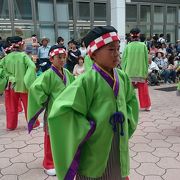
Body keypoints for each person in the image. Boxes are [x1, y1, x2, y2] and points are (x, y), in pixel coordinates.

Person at [48, 26, 139, 180]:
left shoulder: (122, 76)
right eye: (111, 49)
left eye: (118, 49)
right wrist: (89, 128)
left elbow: (131, 102)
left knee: (118, 171)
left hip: (118, 138)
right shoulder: (86, 81)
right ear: (94, 54)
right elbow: (61, 111)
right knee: (95, 173)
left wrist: (127, 121)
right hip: (94, 143)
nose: (117, 54)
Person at [27, 45, 75, 176]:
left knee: (65, 136)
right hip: (53, 112)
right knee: (50, 137)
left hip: (67, 112)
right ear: (51, 59)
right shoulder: (47, 75)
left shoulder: (68, 73)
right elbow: (35, 89)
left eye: (64, 57)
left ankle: (63, 159)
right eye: (58, 57)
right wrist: (45, 100)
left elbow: (74, 88)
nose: (62, 60)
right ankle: (48, 163)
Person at [0, 36, 40, 130]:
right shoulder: (24, 56)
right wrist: (27, 80)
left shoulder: (6, 58)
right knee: (28, 106)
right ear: (21, 44)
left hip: (11, 86)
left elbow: (1, 69)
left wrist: (9, 77)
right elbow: (32, 67)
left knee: (11, 107)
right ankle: (33, 124)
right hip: (23, 86)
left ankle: (11, 126)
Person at [122, 28, 151, 111]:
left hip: (129, 72)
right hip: (141, 72)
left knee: (129, 91)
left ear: (131, 36)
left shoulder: (128, 46)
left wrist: (124, 71)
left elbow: (124, 60)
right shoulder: (143, 46)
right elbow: (146, 60)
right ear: (139, 35)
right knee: (143, 90)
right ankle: (146, 106)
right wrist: (146, 71)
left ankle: (128, 105)